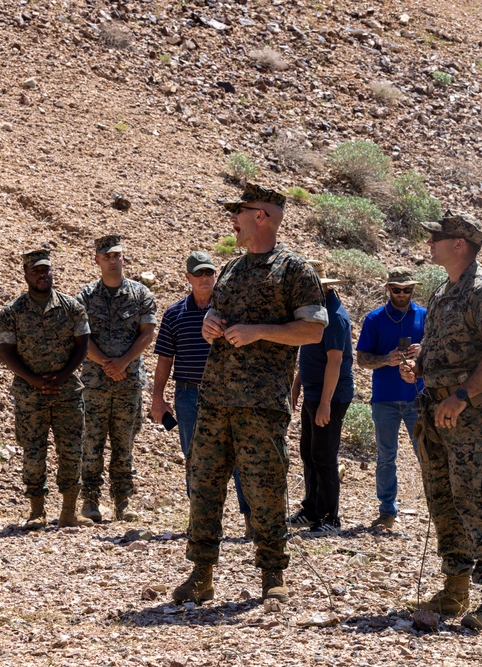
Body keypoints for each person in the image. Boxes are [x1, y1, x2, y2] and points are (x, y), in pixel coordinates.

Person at [172, 183, 326, 605]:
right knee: (203, 486)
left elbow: (313, 330)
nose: (232, 220)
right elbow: (218, 315)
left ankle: (272, 574)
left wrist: (259, 331)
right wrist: (210, 326)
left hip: (260, 404)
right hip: (215, 399)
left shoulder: (294, 270)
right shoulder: (233, 269)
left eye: (238, 212)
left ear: (261, 215)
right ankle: (201, 574)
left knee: (264, 489)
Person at [399, 211, 482, 630]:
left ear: (459, 244)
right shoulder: (444, 291)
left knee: (477, 501)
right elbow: (452, 348)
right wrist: (421, 364)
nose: (429, 243)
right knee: (443, 500)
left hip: (468, 416)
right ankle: (455, 588)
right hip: (435, 411)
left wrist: (463, 394)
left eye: (437, 237)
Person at [151, 250, 252, 537]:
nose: (205, 278)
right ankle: (201, 523)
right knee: (195, 459)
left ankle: (250, 520)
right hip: (189, 396)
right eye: (199, 273)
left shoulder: (231, 311)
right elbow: (165, 359)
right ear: (188, 278)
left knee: (240, 458)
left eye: (209, 272)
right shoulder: (174, 314)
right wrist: (158, 398)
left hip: (229, 393)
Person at [0, 248, 94, 530]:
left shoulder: (72, 307)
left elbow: (83, 345)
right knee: (33, 453)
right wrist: (33, 380)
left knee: (72, 451)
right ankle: (36, 511)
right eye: (36, 271)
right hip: (30, 395)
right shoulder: (11, 312)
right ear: (26, 274)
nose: (42, 275)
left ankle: (68, 512)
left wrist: (63, 376)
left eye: (46, 269)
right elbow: (6, 351)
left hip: (67, 393)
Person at [77, 234, 157, 523]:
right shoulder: (85, 297)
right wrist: (105, 363)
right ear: (97, 260)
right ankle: (90, 501)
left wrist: (122, 363)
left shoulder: (141, 294)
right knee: (92, 442)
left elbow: (147, 334)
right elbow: (81, 337)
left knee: (124, 443)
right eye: (107, 256)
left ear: (123, 258)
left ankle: (123, 501)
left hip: (128, 382)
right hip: (95, 383)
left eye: (117, 255)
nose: (113, 260)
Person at [355, 266, 426, 531]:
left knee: (426, 454)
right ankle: (387, 512)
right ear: (388, 289)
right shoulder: (374, 319)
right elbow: (362, 359)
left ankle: (438, 508)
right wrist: (386, 359)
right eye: (396, 289)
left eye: (407, 290)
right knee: (386, 456)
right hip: (384, 399)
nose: (402, 294)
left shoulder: (425, 316)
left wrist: (423, 350)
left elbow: (440, 354)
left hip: (418, 398)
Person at [289, 264, 354, 536]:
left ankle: (329, 517)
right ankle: (312, 509)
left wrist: (326, 403)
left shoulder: (335, 316)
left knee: (324, 456)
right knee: (309, 452)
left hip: (330, 395)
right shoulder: (313, 313)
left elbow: (335, 361)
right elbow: (307, 355)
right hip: (314, 393)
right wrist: (296, 386)